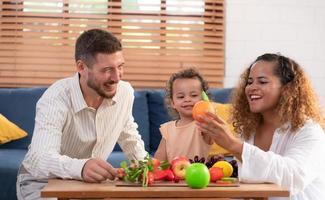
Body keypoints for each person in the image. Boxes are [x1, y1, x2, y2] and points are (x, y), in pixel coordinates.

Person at [16, 29, 147, 200]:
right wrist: (82, 167)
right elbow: (39, 159)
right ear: (81, 67)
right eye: (107, 69)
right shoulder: (55, 98)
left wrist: (147, 168)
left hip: (90, 183)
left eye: (120, 66)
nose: (116, 77)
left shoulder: (124, 92)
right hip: (42, 182)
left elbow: (128, 134)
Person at [196, 53, 325, 199]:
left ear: (287, 89)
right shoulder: (249, 130)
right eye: (249, 82)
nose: (251, 88)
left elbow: (294, 176)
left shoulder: (309, 131)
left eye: (262, 82)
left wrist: (233, 145)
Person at [154, 68, 213, 162]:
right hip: (173, 176)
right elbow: (158, 161)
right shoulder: (167, 130)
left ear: (203, 98)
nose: (187, 99)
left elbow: (213, 131)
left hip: (199, 176)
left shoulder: (204, 125)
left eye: (193, 95)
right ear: (173, 102)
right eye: (181, 97)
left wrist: (206, 108)